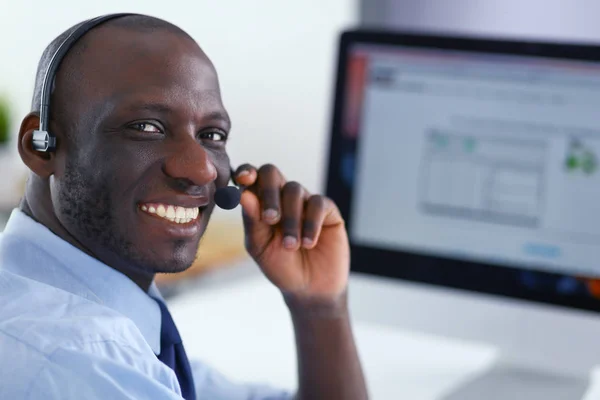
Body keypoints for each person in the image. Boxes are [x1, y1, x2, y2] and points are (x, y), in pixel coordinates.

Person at [0, 13, 368, 400]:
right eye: (146, 127)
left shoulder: (102, 323)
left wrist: (319, 305)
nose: (200, 170)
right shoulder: (78, 362)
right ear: (39, 147)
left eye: (211, 135)